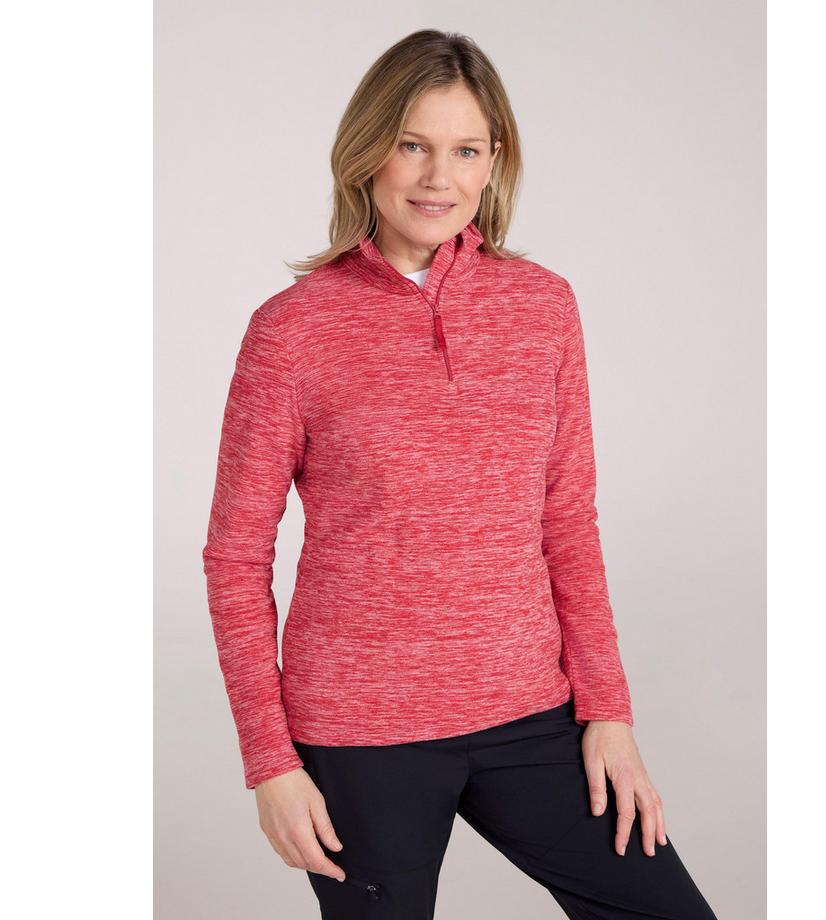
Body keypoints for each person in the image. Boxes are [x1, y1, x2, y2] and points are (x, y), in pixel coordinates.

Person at [202, 28, 719, 920]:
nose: (438, 176)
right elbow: (235, 557)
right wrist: (270, 763)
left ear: (494, 161)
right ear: (367, 152)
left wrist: (609, 711)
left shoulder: (543, 307)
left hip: (532, 713)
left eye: (466, 150)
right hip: (360, 734)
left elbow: (567, 520)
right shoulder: (292, 330)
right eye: (413, 145)